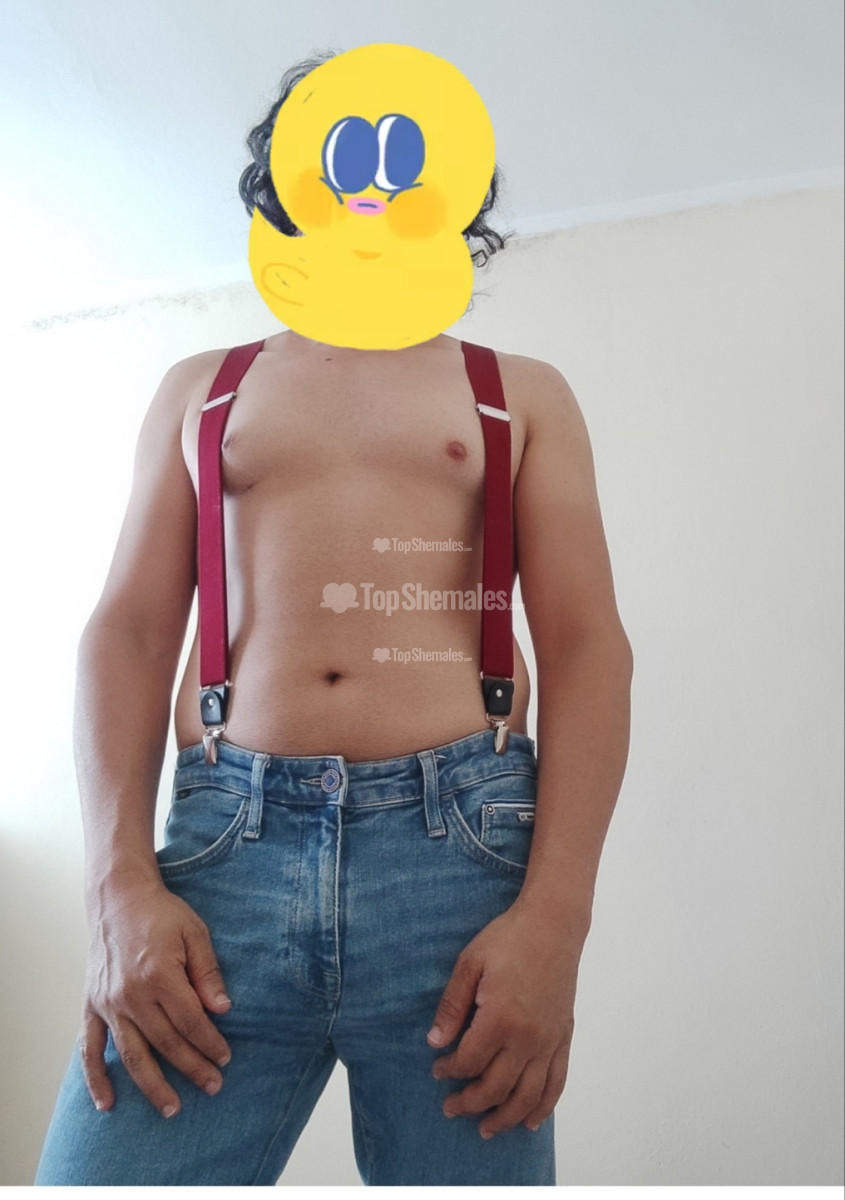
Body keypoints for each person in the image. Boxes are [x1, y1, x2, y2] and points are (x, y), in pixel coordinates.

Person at [33, 52, 633, 1187]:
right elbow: (126, 632)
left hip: (458, 860)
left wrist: (557, 917)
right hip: (224, 855)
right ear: (283, 189)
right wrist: (116, 887)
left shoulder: (519, 392)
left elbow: (586, 647)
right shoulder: (201, 389)